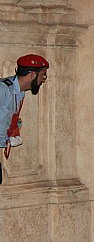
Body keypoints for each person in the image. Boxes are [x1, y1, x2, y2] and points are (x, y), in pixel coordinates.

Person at [0, 54, 49, 184]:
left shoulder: (18, 92)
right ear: (32, 75)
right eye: (42, 75)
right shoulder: (3, 89)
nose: (43, 79)